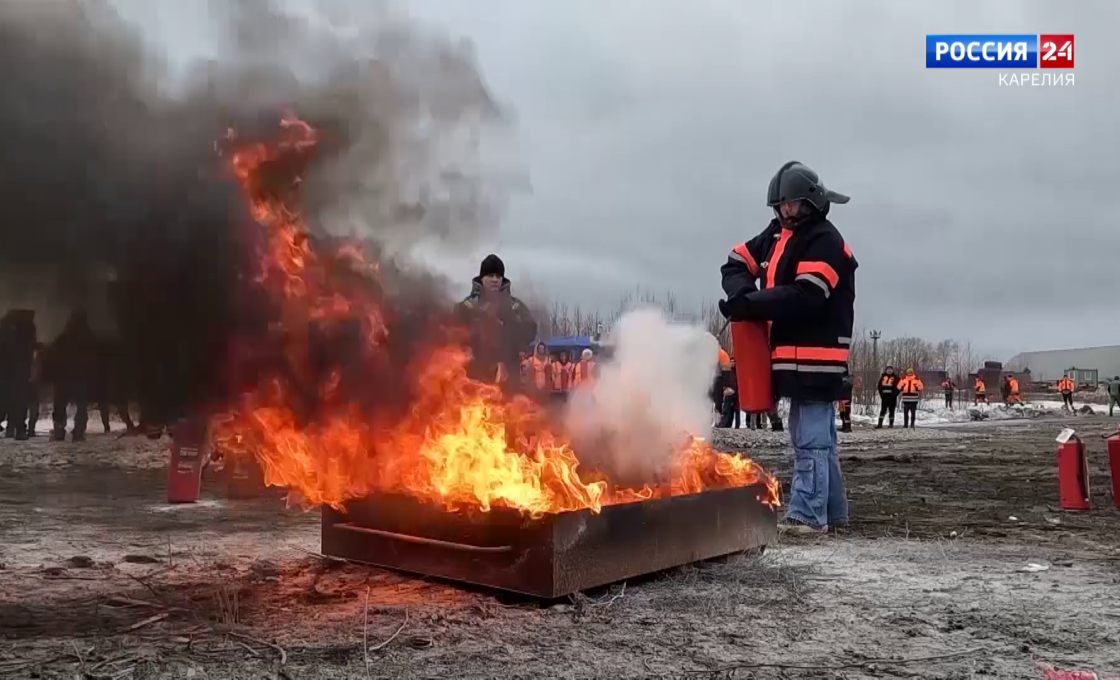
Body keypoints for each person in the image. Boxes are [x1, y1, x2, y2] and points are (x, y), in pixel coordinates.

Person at [720, 161, 856, 534]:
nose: (784, 213)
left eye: (791, 206)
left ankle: (808, 516)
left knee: (809, 437)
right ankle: (833, 512)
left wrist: (752, 303)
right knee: (821, 441)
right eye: (779, 207)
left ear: (812, 202)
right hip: (788, 358)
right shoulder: (776, 235)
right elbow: (735, 262)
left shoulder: (826, 241)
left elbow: (806, 296)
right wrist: (740, 294)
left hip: (818, 358)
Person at [456, 254, 537, 388]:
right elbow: (452, 337)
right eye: (490, 276)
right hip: (474, 379)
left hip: (509, 376)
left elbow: (530, 331)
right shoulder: (467, 306)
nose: (494, 280)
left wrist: (511, 322)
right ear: (482, 278)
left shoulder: (514, 306)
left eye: (498, 276)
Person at [44, 309, 97, 442]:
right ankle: (78, 432)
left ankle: (59, 431)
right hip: (80, 377)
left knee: (60, 405)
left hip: (63, 377)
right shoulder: (89, 339)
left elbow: (52, 356)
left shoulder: (63, 338)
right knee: (81, 405)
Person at [0, 310, 37, 440]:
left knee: (7, 400)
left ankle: (13, 428)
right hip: (19, 371)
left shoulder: (5, 328)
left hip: (7, 371)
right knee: (19, 401)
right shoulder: (27, 330)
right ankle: (19, 429)